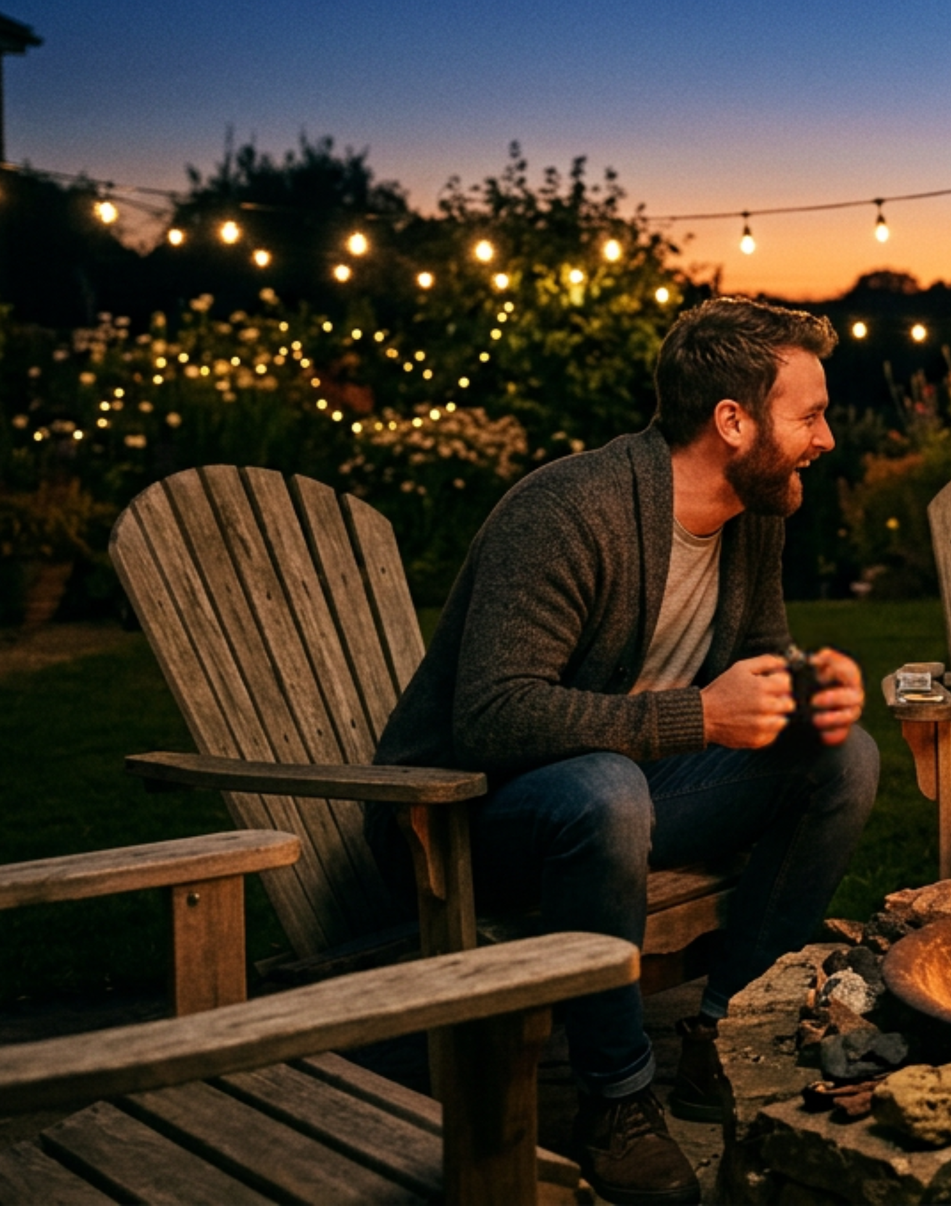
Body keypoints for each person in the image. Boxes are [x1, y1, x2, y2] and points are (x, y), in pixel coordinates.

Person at [371, 297, 878, 1206]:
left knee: (843, 757)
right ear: (733, 422)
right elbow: (494, 715)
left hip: (632, 797)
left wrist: (804, 689)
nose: (826, 439)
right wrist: (697, 719)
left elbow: (752, 664)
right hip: (466, 818)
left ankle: (724, 1040)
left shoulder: (755, 516)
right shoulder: (570, 510)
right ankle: (617, 1100)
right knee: (607, 791)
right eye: (810, 415)